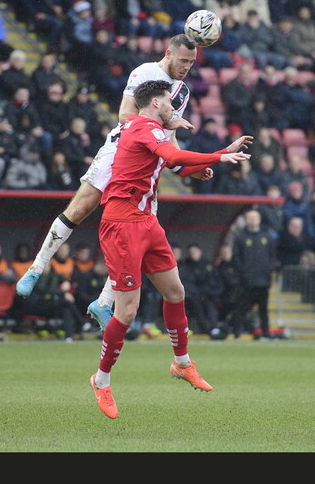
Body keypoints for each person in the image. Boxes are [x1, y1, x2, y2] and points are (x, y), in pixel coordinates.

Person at [15, 34, 252, 302]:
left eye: (192, 62)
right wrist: (168, 126)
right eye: (184, 60)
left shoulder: (182, 92)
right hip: (122, 148)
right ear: (169, 53)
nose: (187, 67)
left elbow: (170, 145)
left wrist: (185, 167)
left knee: (139, 230)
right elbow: (125, 116)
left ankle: (105, 303)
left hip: (150, 161)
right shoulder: (146, 72)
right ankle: (36, 267)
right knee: (81, 207)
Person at [88, 80, 251, 418]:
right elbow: (174, 154)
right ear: (155, 103)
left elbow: (175, 165)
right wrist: (220, 154)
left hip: (146, 221)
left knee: (176, 292)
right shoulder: (142, 126)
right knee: (127, 312)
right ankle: (101, 381)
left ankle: (182, 362)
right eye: (169, 102)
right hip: (121, 223)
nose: (173, 108)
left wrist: (206, 165)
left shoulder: (149, 129)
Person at [231, 209, 278, 340]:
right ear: (246, 220)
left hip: (263, 280)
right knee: (241, 308)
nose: (252, 220)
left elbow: (272, 256)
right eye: (250, 218)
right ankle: (237, 334)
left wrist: (269, 271)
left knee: (263, 309)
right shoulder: (241, 237)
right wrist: (243, 273)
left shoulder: (266, 237)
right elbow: (236, 258)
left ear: (259, 219)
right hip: (246, 281)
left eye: (255, 218)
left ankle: (266, 334)